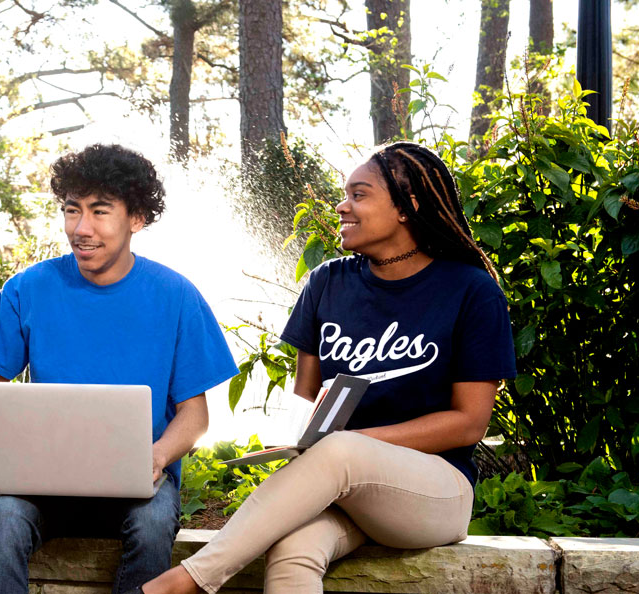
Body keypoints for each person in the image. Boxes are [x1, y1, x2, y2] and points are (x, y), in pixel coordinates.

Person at [136, 141, 517, 594]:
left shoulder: (470, 291)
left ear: (407, 207)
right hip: (341, 485)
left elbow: (469, 423)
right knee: (291, 552)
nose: (342, 206)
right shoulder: (327, 282)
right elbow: (306, 402)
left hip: (434, 490)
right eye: (345, 194)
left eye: (359, 194)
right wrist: (300, 444)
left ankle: (187, 582)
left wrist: (352, 443)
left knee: (340, 451)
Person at [0, 144, 238, 594]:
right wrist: (26, 448)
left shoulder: (177, 296)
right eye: (72, 211)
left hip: (138, 484)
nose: (81, 228)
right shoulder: (26, 290)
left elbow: (194, 415)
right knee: (7, 518)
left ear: (137, 218)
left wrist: (159, 455)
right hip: (43, 484)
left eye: (99, 212)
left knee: (152, 525)